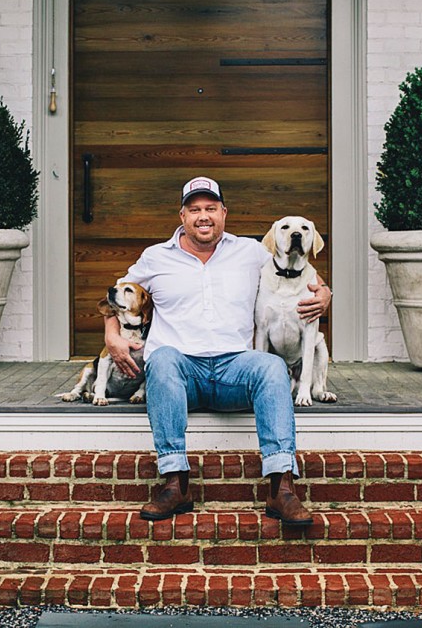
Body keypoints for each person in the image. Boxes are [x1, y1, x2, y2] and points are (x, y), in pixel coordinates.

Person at [104, 176, 332, 526]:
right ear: (182, 216)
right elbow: (115, 297)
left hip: (234, 370)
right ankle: (176, 482)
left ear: (224, 213)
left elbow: (298, 272)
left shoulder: (252, 252)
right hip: (182, 374)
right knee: (161, 358)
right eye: (194, 209)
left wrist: (325, 293)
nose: (203, 216)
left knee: (272, 366)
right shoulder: (155, 257)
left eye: (211, 208)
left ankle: (281, 486)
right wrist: (111, 336)